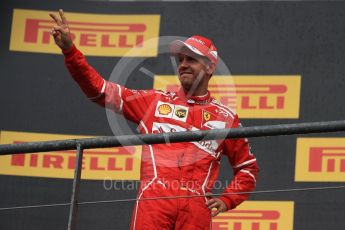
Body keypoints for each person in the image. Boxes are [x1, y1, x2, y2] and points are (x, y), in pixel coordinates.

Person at [50, 9, 259, 230]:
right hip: (153, 204)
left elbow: (248, 169)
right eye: (180, 59)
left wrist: (228, 200)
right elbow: (100, 90)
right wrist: (70, 51)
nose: (183, 65)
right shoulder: (155, 102)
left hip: (196, 210)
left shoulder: (225, 117)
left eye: (191, 59)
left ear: (210, 66)